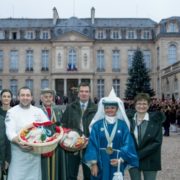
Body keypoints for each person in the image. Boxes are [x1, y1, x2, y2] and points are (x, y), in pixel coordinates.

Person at [84, 88, 138, 180]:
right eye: (107, 108)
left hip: (116, 160)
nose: (109, 110)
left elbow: (128, 144)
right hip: (100, 161)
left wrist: (121, 159)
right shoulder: (97, 125)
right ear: (103, 109)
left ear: (117, 109)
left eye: (112, 108)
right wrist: (93, 164)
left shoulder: (123, 125)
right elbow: (92, 144)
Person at [5, 87, 49, 180]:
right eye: (22, 95)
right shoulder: (11, 112)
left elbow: (48, 128)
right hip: (18, 157)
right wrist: (19, 143)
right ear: (18, 97)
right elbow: (10, 132)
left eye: (28, 95)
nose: (25, 97)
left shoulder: (38, 111)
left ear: (32, 97)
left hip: (35, 157)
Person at [61, 82, 97, 180]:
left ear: (89, 93)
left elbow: (98, 130)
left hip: (89, 147)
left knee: (89, 175)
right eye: (81, 91)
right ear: (78, 93)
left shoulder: (96, 109)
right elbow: (63, 125)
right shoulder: (70, 107)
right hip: (73, 147)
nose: (84, 93)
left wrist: (89, 140)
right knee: (71, 175)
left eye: (86, 91)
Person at [126, 93, 165, 180]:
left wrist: (138, 154)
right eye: (139, 103)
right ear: (135, 105)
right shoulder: (128, 120)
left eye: (144, 104)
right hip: (133, 159)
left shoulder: (155, 121)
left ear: (148, 105)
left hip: (150, 158)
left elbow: (157, 142)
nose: (141, 106)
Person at [40, 88, 66, 180]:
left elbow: (63, 125)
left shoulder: (58, 110)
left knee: (57, 167)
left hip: (57, 145)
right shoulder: (37, 111)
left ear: (53, 98)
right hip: (42, 145)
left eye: (50, 97)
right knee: (44, 169)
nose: (48, 99)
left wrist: (59, 133)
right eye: (45, 97)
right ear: (41, 98)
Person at [0, 89, 12, 180]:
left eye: (8, 96)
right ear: (1, 98)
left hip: (11, 148)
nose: (6, 98)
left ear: (11, 98)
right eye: (4, 96)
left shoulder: (14, 112)